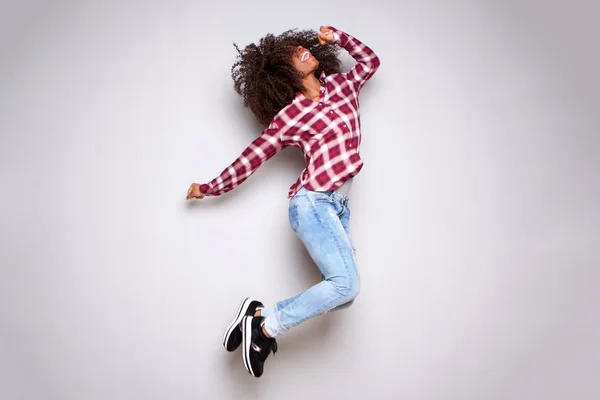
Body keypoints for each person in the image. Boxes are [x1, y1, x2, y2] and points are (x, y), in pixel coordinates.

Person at [186, 25, 380, 378]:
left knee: (345, 294)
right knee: (346, 284)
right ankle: (264, 330)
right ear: (283, 73)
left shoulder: (342, 86)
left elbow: (371, 61)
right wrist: (210, 187)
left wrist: (337, 36)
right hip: (314, 203)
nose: (302, 52)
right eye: (292, 55)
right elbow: (253, 156)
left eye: (301, 48)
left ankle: (257, 318)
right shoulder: (290, 116)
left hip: (337, 207)